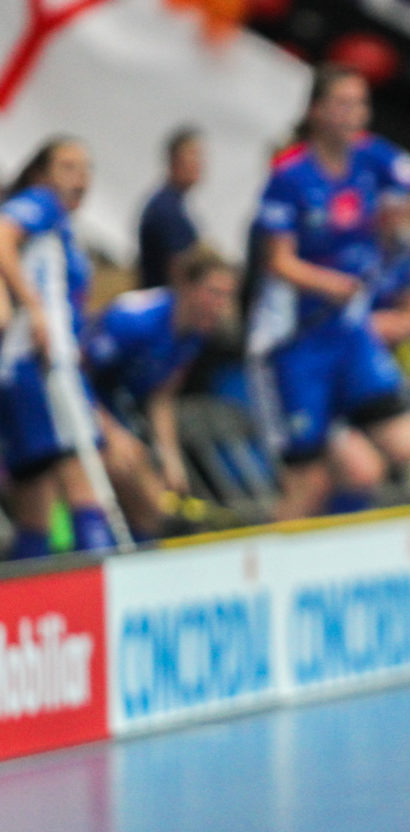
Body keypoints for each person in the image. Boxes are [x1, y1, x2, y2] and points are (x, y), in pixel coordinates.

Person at [246, 63, 410, 520]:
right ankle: (277, 572)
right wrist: (328, 283)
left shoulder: (373, 157)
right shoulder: (290, 176)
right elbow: (276, 261)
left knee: (404, 441)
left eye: (361, 103)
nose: (356, 113)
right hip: (293, 343)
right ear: (316, 111)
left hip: (347, 336)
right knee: (312, 481)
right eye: (343, 103)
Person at [0, 137, 117, 559]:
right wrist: (34, 311)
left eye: (86, 169)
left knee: (36, 506)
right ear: (40, 174)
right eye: (67, 167)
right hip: (42, 366)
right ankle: (104, 598)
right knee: (83, 477)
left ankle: (18, 609)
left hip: (24, 371)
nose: (80, 178)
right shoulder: (42, 205)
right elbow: (1, 238)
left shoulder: (64, 229)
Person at [84, 246, 239, 540]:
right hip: (81, 406)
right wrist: (111, 433)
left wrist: (171, 458)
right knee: (135, 480)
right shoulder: (134, 321)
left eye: (228, 295)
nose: (221, 305)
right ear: (187, 285)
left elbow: (162, 395)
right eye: (214, 292)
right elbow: (76, 376)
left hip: (118, 410)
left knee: (160, 486)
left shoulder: (195, 332)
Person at [137, 126, 203, 290]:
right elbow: (181, 271)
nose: (199, 164)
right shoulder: (166, 210)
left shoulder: (174, 205)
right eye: (193, 156)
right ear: (174, 160)